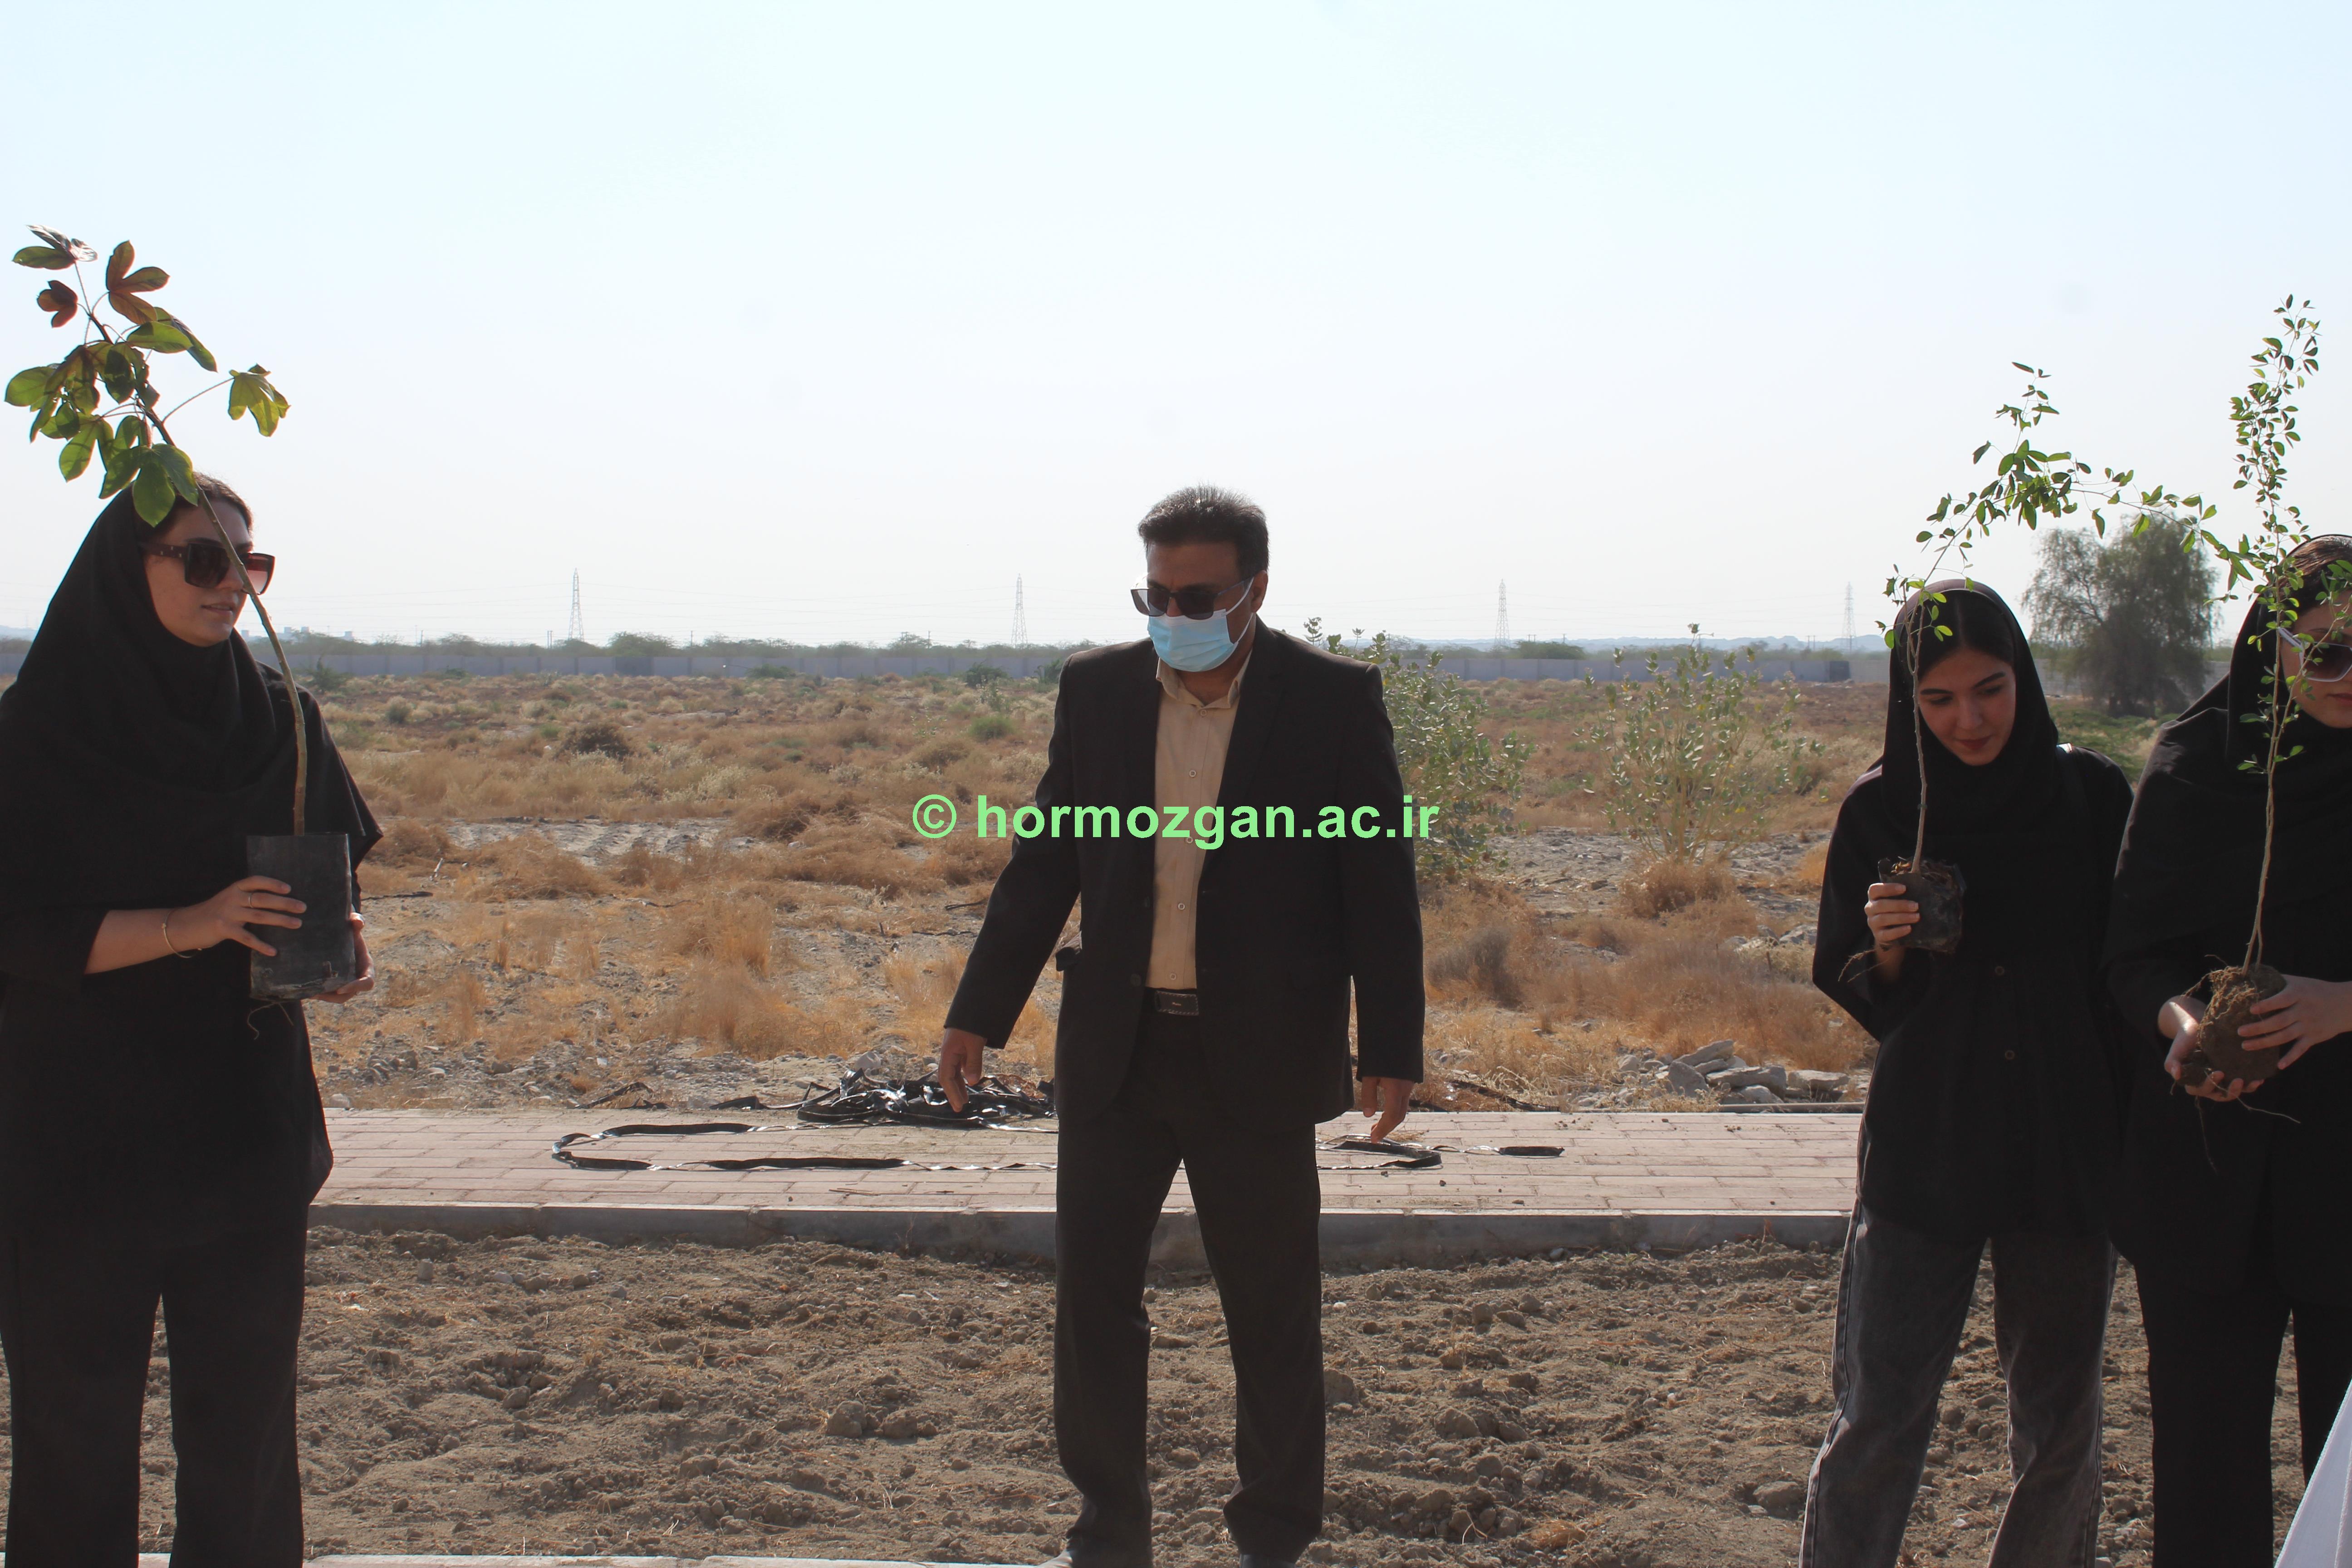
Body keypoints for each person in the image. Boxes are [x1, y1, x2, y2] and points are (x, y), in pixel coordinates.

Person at [936, 485, 1423, 1568]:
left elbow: (1379, 882)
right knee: (1094, 1309)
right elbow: (1045, 864)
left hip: (1258, 1056)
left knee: (1272, 1314)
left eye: (1197, 597)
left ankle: (1273, 1540)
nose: (1173, 614)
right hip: (1118, 1053)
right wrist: (979, 1013)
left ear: (1256, 590)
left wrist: (1394, 1047)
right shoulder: (1097, 689)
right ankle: (1108, 1538)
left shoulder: (1333, 700)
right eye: (1154, 594)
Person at [0, 481, 380, 1565]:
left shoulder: (282, 721)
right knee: (73, 1434)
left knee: (245, 1435)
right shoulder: (36, 733)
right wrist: (195, 924)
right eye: (204, 561)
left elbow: (324, 887)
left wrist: (337, 952)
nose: (234, 587)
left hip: (242, 1127)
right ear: (129, 572)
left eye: (249, 565)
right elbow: (19, 933)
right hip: (75, 1136)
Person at [1801, 582, 2135, 1568]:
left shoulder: (2090, 800)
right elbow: (1861, 989)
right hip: (1929, 1149)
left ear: (2024, 677)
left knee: (2061, 1425)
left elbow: (2130, 969)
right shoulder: (1884, 808)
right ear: (1909, 703)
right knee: (1878, 1416)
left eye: (1990, 689)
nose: (1970, 720)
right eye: (1939, 700)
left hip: (2066, 1148)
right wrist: (1888, 946)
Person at [2102, 534, 2352, 1567]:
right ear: (2272, 648)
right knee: (2204, 1468)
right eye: (2327, 650)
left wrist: (2341, 1007)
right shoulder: (2197, 767)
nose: (2348, 674)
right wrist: (2184, 1028)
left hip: (2346, 1165)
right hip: (2207, 1168)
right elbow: (2133, 957)